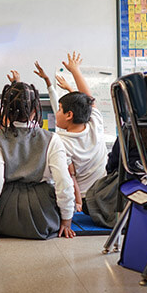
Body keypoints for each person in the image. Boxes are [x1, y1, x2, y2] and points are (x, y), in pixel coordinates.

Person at [0, 80, 76, 241]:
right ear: (35, 109)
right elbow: (64, 182)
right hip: (41, 218)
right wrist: (66, 220)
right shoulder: (52, 139)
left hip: (4, 214)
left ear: (5, 109)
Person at [52, 52, 108, 212]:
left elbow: (71, 178)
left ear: (69, 115)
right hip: (103, 193)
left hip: (84, 200)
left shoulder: (60, 141)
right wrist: (75, 70)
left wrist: (78, 204)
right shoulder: (95, 123)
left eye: (60, 109)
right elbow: (89, 99)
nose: (57, 113)